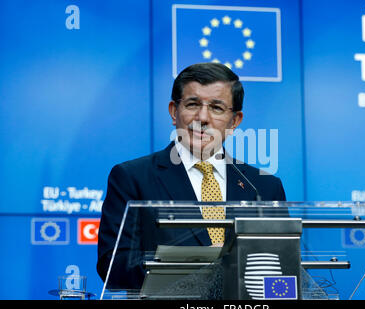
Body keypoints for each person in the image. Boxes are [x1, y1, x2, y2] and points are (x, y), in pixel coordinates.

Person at [97, 62, 287, 290]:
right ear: (173, 112)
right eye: (192, 104)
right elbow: (112, 267)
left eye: (217, 108)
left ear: (235, 121)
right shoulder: (132, 177)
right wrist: (194, 267)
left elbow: (282, 266)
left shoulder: (264, 187)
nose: (202, 118)